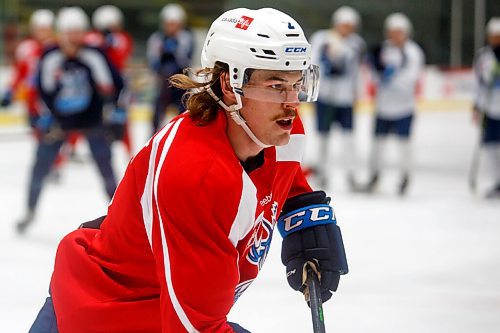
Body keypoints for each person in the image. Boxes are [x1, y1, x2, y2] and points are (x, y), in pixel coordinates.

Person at [28, 8, 348, 333]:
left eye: (298, 83)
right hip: (102, 315)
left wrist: (305, 215)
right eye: (276, 84)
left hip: (165, 308)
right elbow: (194, 328)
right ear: (228, 84)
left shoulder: (278, 129)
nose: (292, 102)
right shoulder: (196, 175)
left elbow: (283, 176)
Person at [16, 7, 123, 234]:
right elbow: (42, 91)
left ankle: (123, 215)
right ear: (60, 34)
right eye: (68, 33)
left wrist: (114, 112)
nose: (73, 39)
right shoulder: (50, 55)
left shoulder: (95, 54)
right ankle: (30, 210)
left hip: (92, 121)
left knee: (106, 168)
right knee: (40, 167)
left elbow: (114, 86)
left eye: (78, 33)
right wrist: (45, 117)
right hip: (59, 123)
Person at [361, 13, 424, 195]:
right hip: (383, 107)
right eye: (392, 32)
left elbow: (410, 80)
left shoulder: (413, 52)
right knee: (377, 145)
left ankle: (405, 177)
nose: (395, 35)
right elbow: (373, 77)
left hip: (404, 108)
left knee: (404, 145)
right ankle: (374, 176)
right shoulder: (383, 49)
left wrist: (388, 76)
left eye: (399, 32)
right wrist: (376, 70)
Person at [310, 6, 366, 188]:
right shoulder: (322, 39)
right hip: (326, 96)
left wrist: (357, 93)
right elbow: (314, 63)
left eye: (350, 26)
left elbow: (357, 70)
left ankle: (351, 174)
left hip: (345, 99)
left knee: (349, 138)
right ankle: (322, 172)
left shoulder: (356, 43)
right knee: (323, 137)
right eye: (344, 25)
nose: (346, 29)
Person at [86, 4, 134, 155]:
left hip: (117, 85)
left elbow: (120, 54)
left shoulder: (121, 38)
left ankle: (129, 150)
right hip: (97, 85)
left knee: (121, 120)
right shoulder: (92, 38)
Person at [1, 9, 56, 131]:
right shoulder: (26, 48)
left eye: (45, 29)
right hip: (32, 102)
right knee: (38, 135)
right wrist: (10, 91)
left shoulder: (57, 48)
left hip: (53, 102)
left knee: (53, 140)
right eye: (39, 28)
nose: (42, 33)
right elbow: (19, 74)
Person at [146, 3, 195, 134]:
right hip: (164, 83)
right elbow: (153, 61)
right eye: (169, 24)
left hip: (182, 84)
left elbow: (186, 61)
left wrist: (176, 49)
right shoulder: (156, 39)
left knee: (185, 112)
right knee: (157, 111)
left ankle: (185, 135)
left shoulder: (186, 38)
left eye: (174, 24)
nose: (171, 27)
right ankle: (153, 136)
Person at [472, 17, 500, 198]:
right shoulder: (483, 55)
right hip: (490, 108)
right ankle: (497, 181)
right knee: (490, 146)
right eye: (493, 36)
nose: (496, 39)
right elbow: (478, 82)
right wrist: (477, 105)